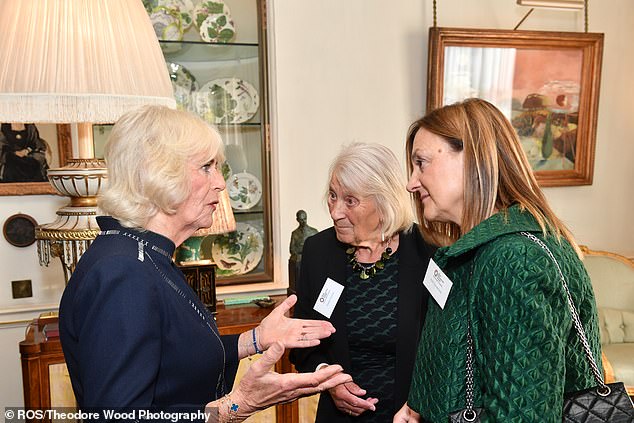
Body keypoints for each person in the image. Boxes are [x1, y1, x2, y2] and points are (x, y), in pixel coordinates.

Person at [58, 105, 352, 421]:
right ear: (158, 174)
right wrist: (237, 406)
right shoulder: (123, 273)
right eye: (207, 167)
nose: (221, 183)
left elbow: (176, 358)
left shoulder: (144, 254)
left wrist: (254, 340)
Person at [395, 98, 602, 422]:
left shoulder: (514, 260)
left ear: (473, 160)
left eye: (421, 163)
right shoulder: (484, 252)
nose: (411, 182)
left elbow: (524, 415)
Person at [290, 143, 435, 422]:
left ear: (384, 202)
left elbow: (446, 349)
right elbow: (302, 343)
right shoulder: (317, 252)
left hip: (412, 415)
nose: (335, 212)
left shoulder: (428, 251)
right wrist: (328, 378)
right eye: (333, 196)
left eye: (350, 201)